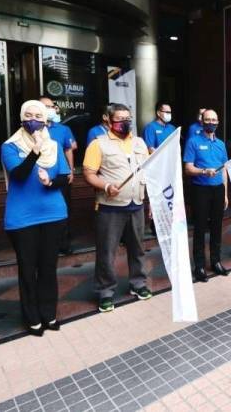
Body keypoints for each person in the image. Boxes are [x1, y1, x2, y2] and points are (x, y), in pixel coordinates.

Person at [1, 100, 70, 336]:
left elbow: (64, 176)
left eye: (38, 116)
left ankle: (49, 314)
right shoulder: (10, 146)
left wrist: (50, 182)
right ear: (21, 118)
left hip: (54, 214)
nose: (33, 120)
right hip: (22, 219)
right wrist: (34, 152)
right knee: (28, 270)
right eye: (28, 115)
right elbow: (18, 175)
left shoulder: (54, 145)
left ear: (45, 119)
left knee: (48, 268)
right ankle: (32, 318)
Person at [82, 103, 152, 313]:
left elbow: (147, 172)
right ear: (108, 121)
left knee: (138, 248)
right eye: (120, 119)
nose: (125, 123)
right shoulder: (98, 144)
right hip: (110, 207)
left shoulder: (139, 143)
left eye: (128, 118)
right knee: (107, 251)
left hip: (136, 204)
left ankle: (138, 284)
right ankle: (105, 292)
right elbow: (89, 174)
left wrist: (149, 202)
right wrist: (105, 186)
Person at [183, 109, 229, 282]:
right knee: (200, 228)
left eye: (214, 120)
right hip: (200, 189)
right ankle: (200, 266)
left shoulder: (221, 144)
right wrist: (203, 171)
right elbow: (188, 168)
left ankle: (216, 262)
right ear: (202, 122)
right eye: (208, 119)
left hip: (218, 190)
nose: (211, 122)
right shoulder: (193, 142)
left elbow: (224, 169)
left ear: (218, 122)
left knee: (217, 227)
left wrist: (225, 193)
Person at [40, 97, 77, 255]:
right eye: (45, 106)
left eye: (51, 106)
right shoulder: (32, 129)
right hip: (39, 177)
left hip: (61, 176)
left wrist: (71, 170)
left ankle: (64, 244)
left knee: (64, 209)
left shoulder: (62, 129)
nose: (50, 109)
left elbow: (69, 149)